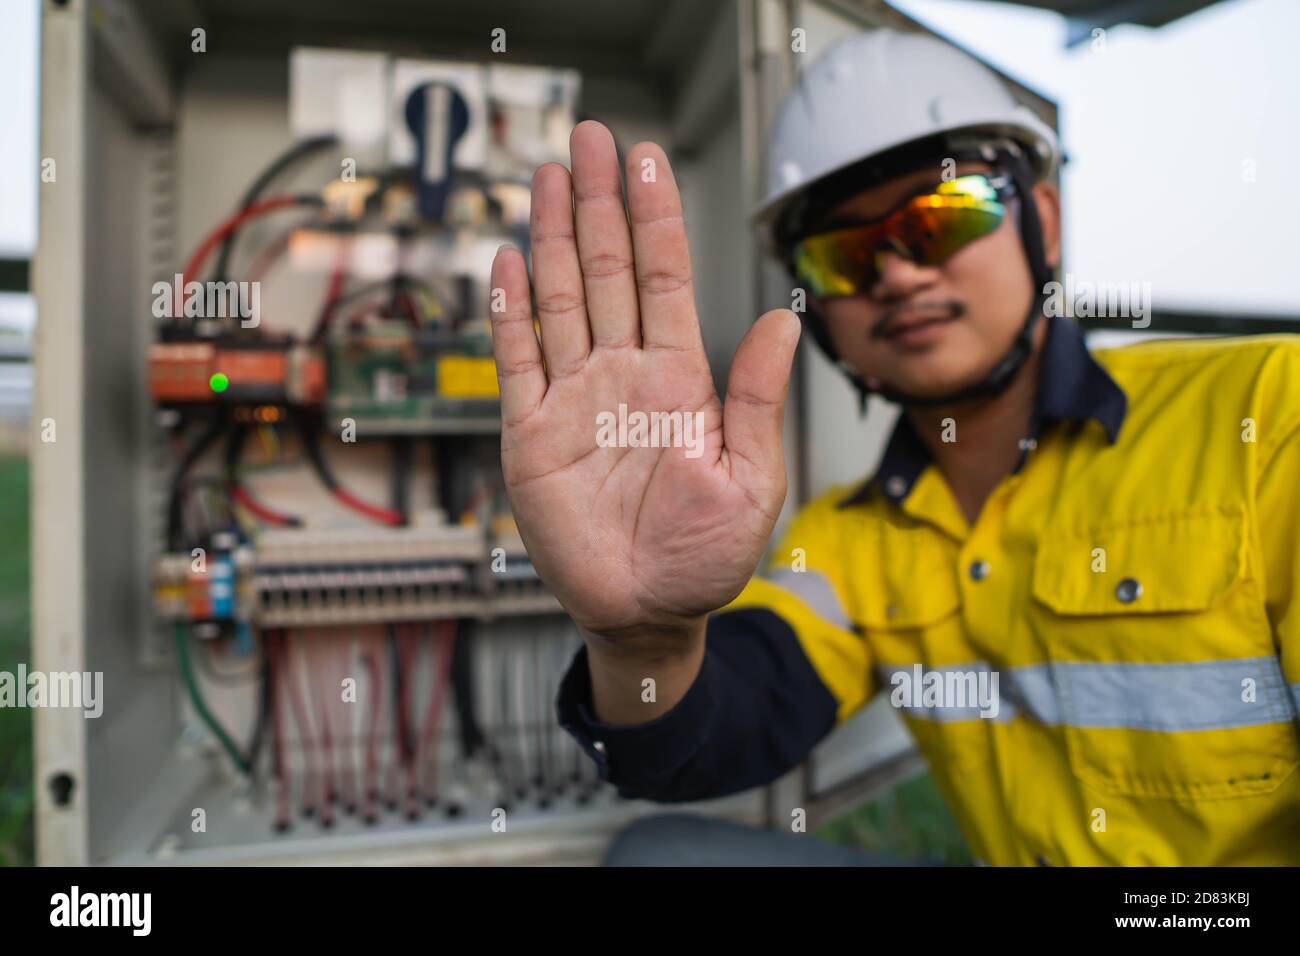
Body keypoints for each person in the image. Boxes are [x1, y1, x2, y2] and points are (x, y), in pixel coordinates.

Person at [487, 28, 1300, 866]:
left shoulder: (1270, 414)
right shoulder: (849, 541)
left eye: (944, 216)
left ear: (1043, 223)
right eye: (846, 251)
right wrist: (645, 642)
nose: (900, 273)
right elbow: (706, 739)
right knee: (658, 854)